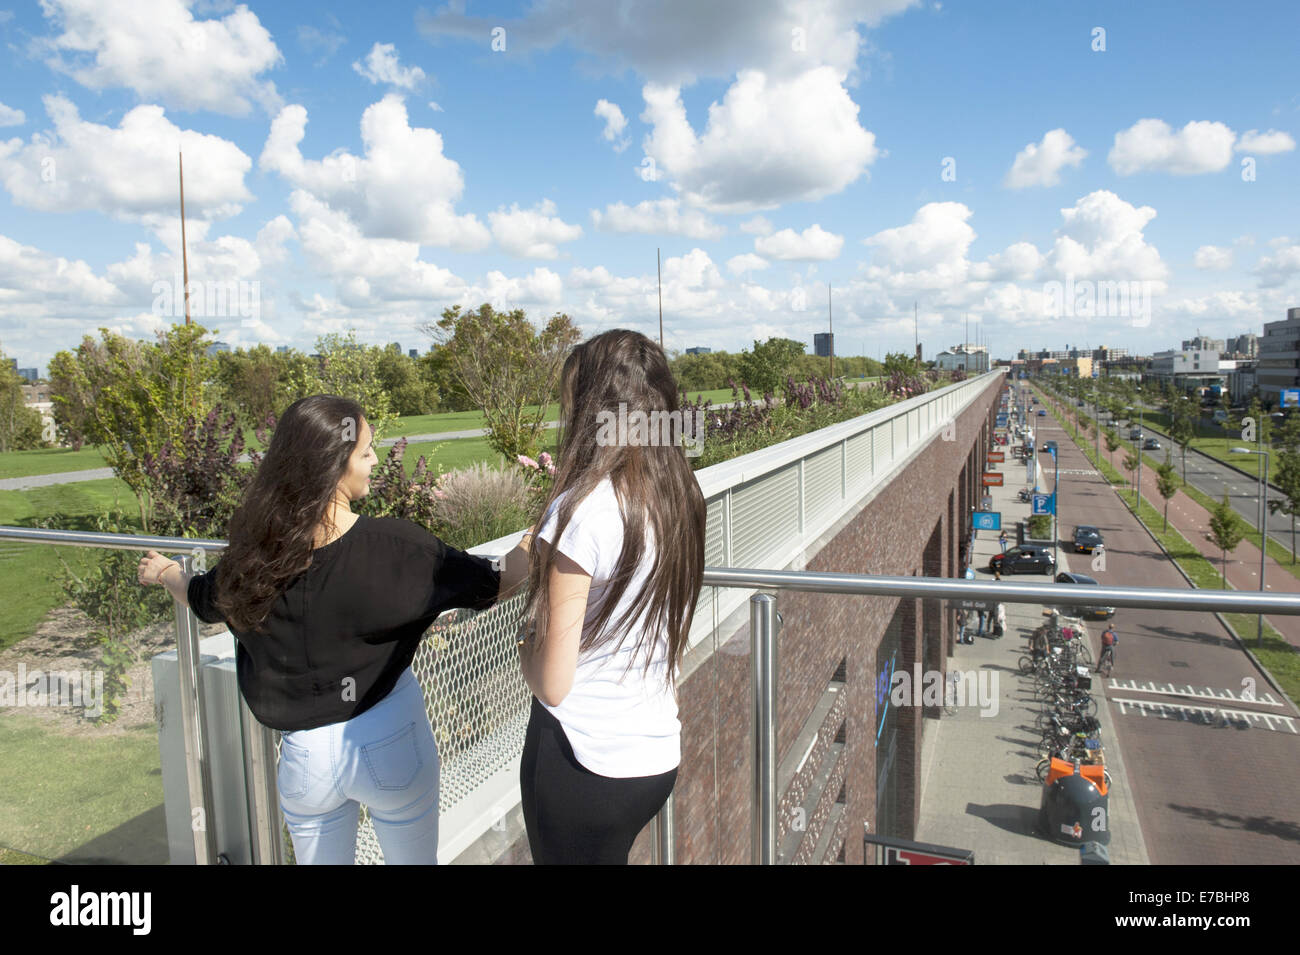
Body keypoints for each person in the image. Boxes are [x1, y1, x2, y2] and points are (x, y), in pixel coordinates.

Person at [137, 395, 531, 865]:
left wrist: (165, 574)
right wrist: (536, 540)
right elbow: (498, 581)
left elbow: (204, 599)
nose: (375, 461)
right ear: (333, 464)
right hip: (390, 741)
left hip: (305, 762)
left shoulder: (254, 555)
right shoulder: (397, 547)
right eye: (366, 452)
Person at [517, 329, 706, 865]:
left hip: (583, 761)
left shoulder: (582, 512)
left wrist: (525, 647)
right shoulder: (681, 495)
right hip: (653, 757)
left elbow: (553, 685)